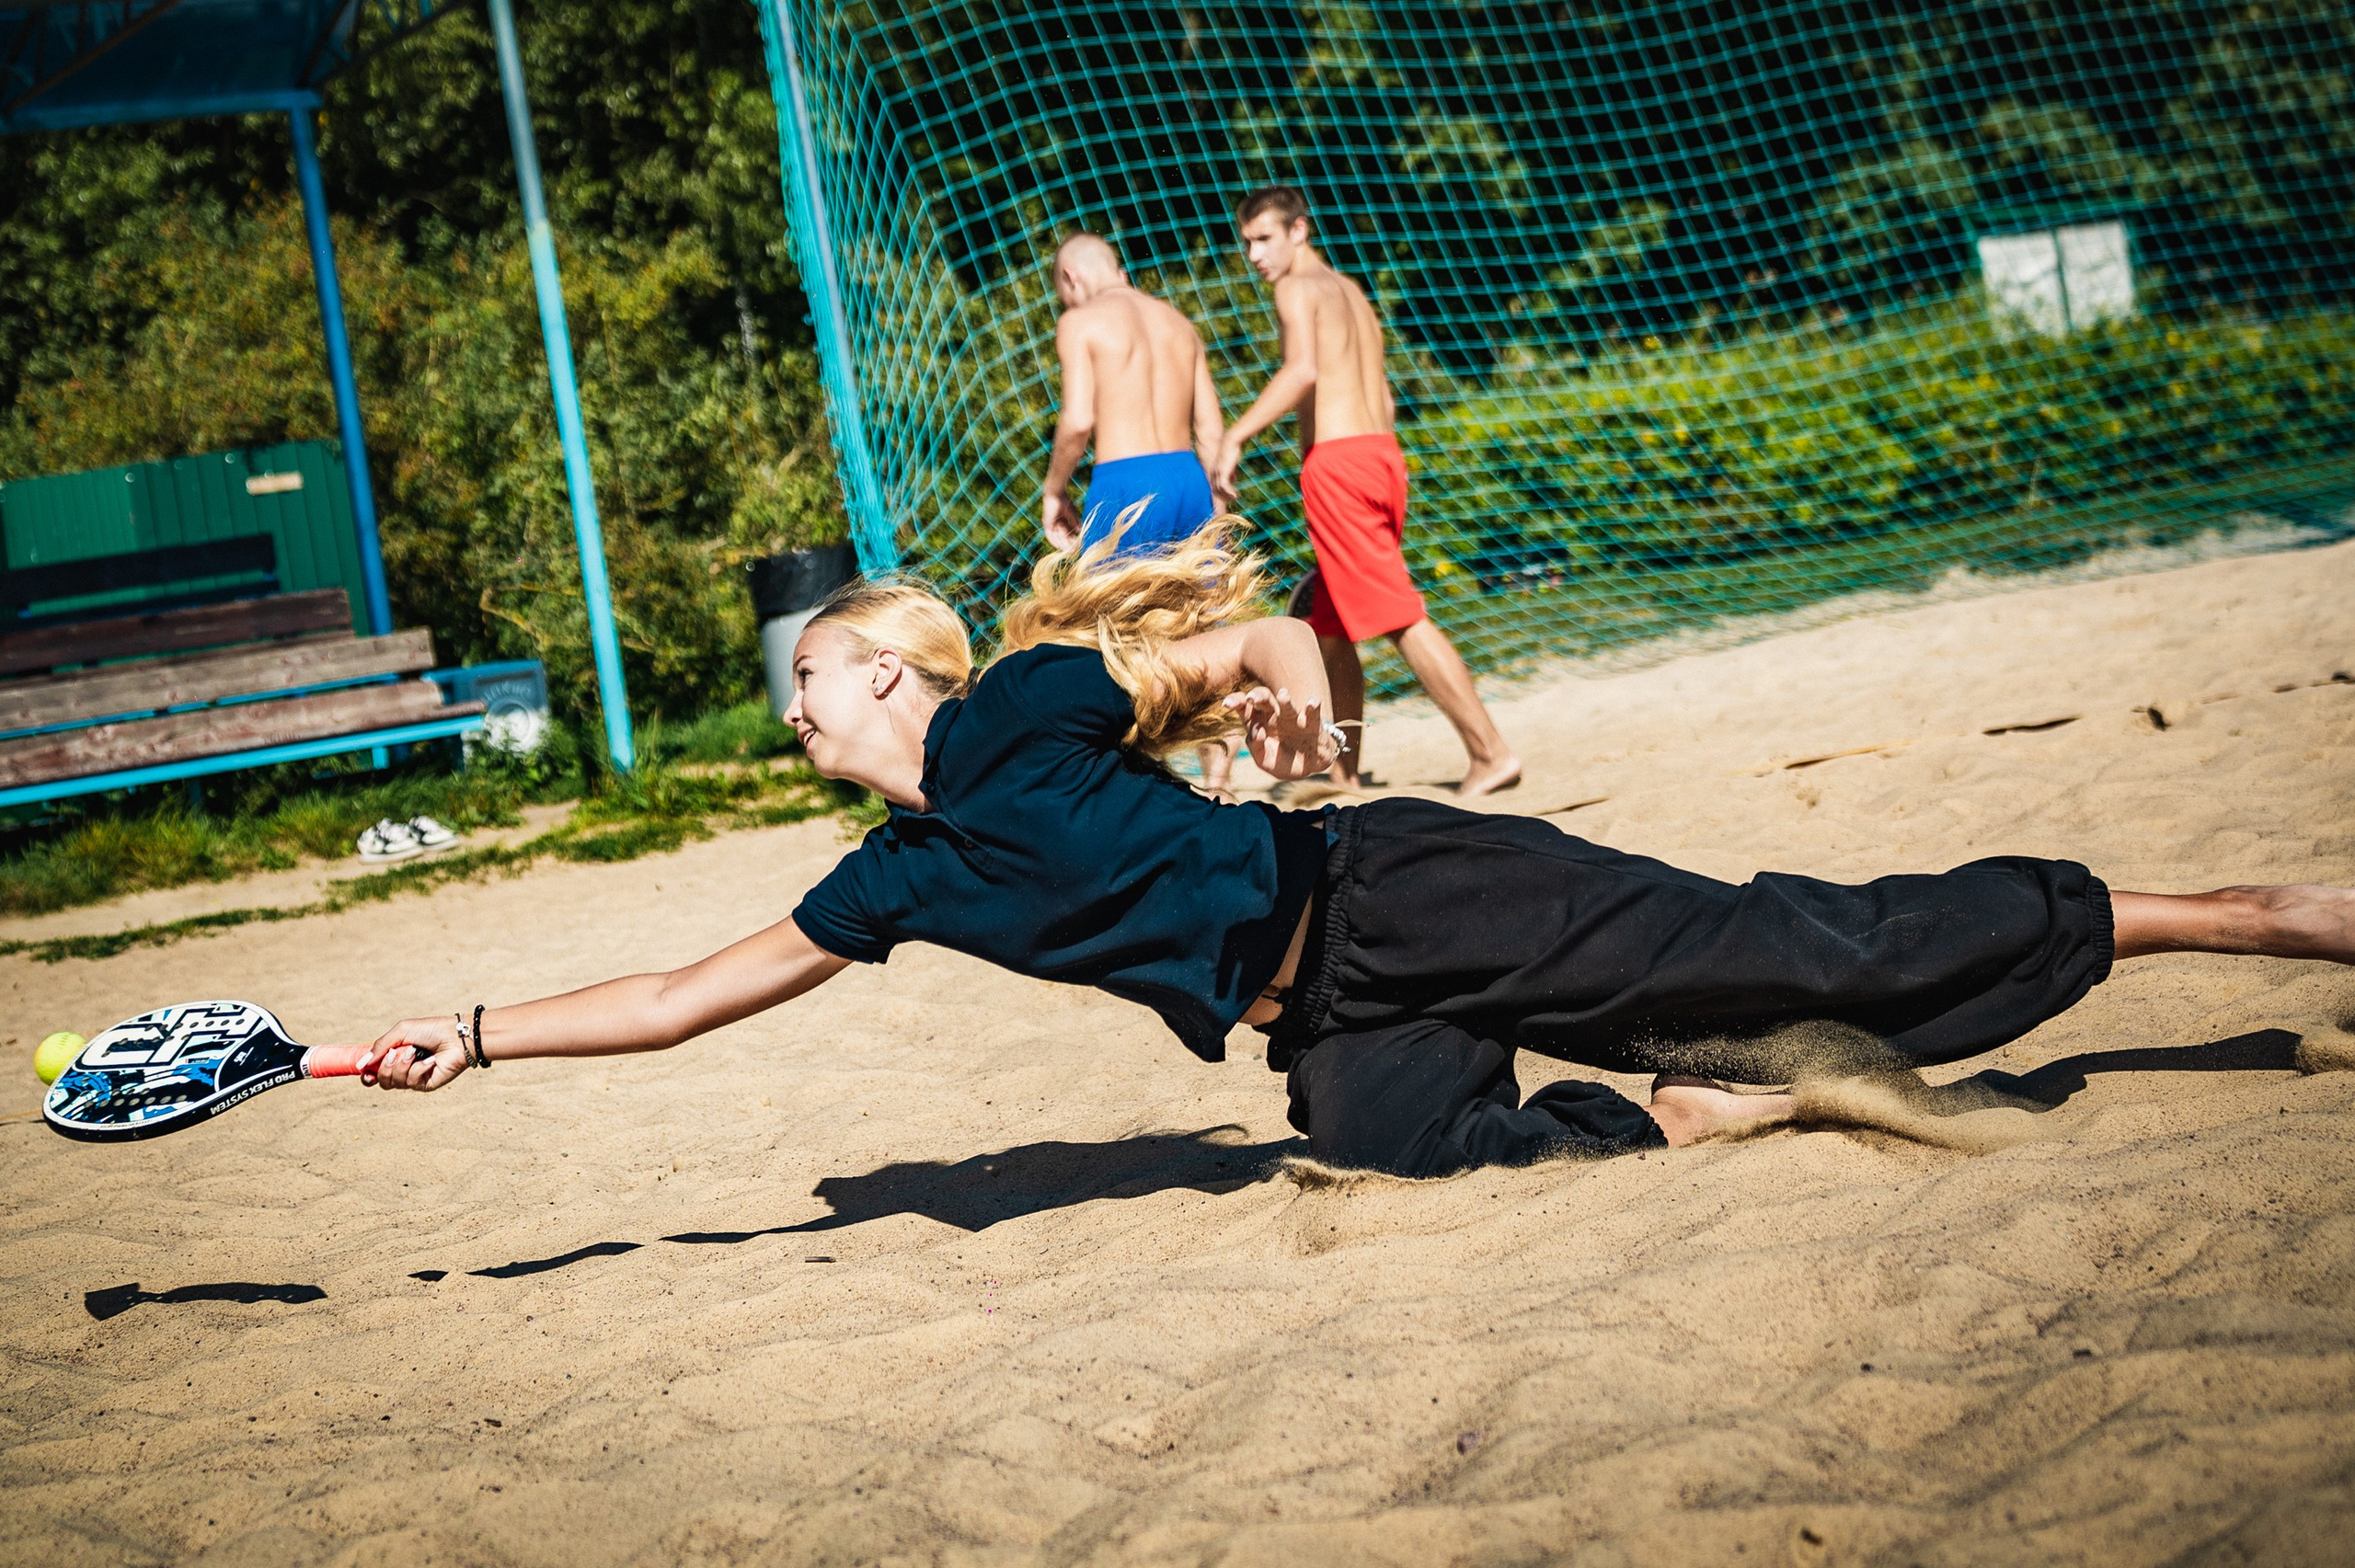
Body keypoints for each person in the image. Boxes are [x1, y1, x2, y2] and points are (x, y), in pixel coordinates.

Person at [355, 532, 2355, 1181]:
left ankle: (2243, 914)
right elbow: (678, 996)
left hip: (1399, 888)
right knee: (1394, 1154)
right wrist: (470, 1031)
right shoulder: (891, 883)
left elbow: (1245, 639)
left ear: (885, 674)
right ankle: (1725, 1106)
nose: (794, 712)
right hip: (1339, 1013)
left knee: (1811, 942)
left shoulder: (1007, 708)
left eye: (810, 683)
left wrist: (1301, 699)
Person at [1212, 185, 1520, 798]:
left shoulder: (1295, 289)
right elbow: (1382, 396)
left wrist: (1233, 437)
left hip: (1343, 468)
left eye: (1264, 238)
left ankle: (1490, 752)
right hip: (1381, 457)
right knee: (1331, 626)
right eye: (1246, 242)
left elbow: (1302, 371)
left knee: (1399, 617)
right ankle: (1342, 769)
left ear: (1300, 230)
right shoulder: (1352, 292)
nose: (1253, 254)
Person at [1040, 232, 1224, 560]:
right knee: (1204, 610)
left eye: (1065, 298)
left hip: (1126, 487)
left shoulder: (1079, 322)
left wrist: (1054, 491)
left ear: (1070, 276)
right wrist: (1218, 509)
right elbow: (1210, 430)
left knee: (1114, 610)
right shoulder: (1181, 325)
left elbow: (1079, 421)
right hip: (1189, 479)